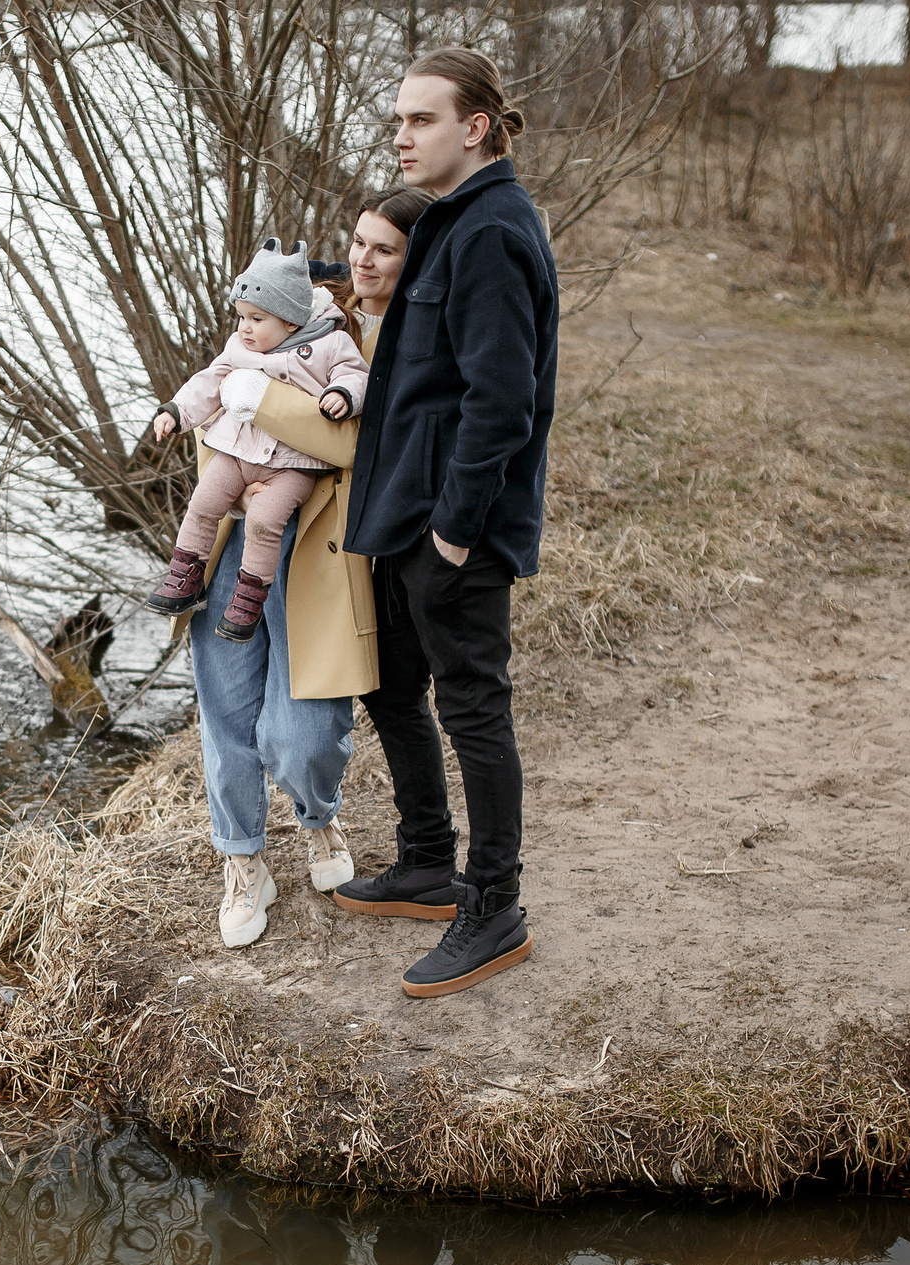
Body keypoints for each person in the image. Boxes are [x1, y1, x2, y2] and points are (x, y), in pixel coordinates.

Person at [333, 48, 559, 1000]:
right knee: (391, 686)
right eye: (397, 120)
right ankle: (428, 860)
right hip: (404, 514)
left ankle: (493, 906)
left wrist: (456, 531)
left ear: (475, 127)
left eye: (420, 119)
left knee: (473, 710)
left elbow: (501, 401)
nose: (401, 136)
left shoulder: (493, 232)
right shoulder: (450, 221)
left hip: (452, 526)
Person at [174, 193, 433, 950]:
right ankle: (243, 860)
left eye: (385, 249)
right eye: (359, 244)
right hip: (233, 540)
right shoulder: (282, 313)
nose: (364, 260)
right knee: (227, 713)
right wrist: (233, 442)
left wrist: (265, 406)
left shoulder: (388, 338)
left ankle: (318, 816)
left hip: (316, 553)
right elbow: (214, 402)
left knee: (306, 734)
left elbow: (356, 444)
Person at [146, 240, 370, 646]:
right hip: (237, 451)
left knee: (265, 520)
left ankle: (249, 597)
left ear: (290, 321)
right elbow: (209, 381)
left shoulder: (330, 343)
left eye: (256, 318)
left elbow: (356, 375)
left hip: (292, 464)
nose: (244, 328)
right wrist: (176, 411)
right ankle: (184, 576)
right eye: (241, 317)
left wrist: (343, 394)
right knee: (204, 502)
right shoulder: (239, 348)